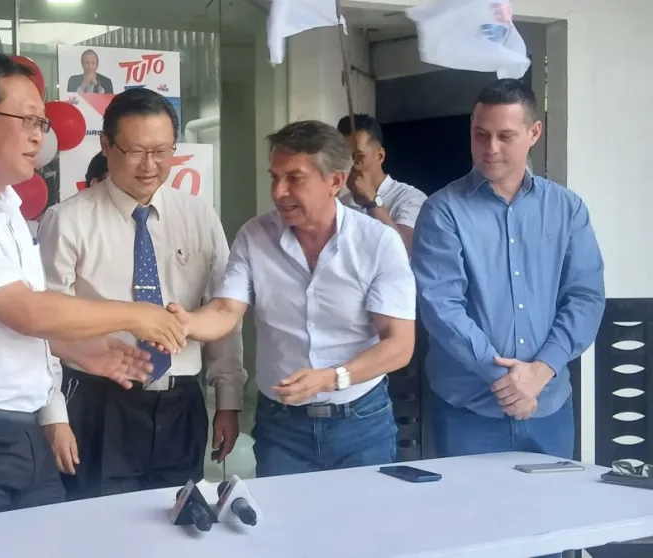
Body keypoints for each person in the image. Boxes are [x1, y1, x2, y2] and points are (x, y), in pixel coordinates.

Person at [0, 53, 187, 525]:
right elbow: (24, 310)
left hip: (18, 432)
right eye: (27, 120)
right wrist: (136, 314)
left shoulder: (3, 202)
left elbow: (5, 320)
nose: (39, 135)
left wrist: (78, 349)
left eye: (42, 122)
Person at [167, 120, 415, 477]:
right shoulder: (256, 236)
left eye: (294, 178)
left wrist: (332, 378)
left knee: (365, 527)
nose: (279, 191)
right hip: (282, 425)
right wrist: (185, 323)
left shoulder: (378, 243)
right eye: (274, 177)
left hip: (360, 419)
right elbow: (225, 310)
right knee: (283, 528)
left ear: (335, 182)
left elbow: (399, 344)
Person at [38, 88, 246, 499]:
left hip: (180, 402)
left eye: (162, 151)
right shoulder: (67, 221)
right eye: (136, 151)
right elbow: (43, 326)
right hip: (99, 403)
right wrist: (53, 415)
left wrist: (228, 399)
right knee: (101, 527)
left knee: (177, 518)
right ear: (106, 145)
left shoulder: (198, 215)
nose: (150, 166)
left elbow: (221, 310)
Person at [411, 79, 605, 461]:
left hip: (549, 409)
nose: (491, 148)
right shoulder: (442, 210)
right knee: (469, 519)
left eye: (505, 135)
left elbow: (585, 297)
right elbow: (441, 306)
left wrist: (541, 371)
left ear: (534, 133)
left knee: (552, 516)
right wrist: (509, 383)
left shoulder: (567, 209)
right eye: (480, 135)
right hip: (468, 412)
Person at [337, 114, 427, 253]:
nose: (351, 166)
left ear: (380, 156)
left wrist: (373, 202)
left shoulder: (410, 197)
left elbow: (404, 250)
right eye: (345, 159)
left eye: (358, 157)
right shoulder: (340, 204)